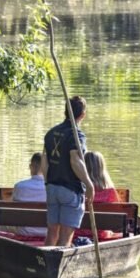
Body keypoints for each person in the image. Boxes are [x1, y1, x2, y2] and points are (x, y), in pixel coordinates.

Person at [41, 96, 95, 247]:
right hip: (70, 190)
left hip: (52, 187)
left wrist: (47, 182)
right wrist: (89, 185)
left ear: (65, 111)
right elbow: (75, 160)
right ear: (83, 115)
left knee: (52, 232)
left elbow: (44, 161)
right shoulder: (76, 135)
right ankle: (58, 267)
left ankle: (46, 264)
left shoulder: (50, 133)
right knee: (65, 235)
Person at [11, 152, 47, 237]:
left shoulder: (19, 186)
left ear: (31, 167)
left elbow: (11, 208)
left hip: (24, 232)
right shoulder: (52, 188)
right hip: (48, 233)